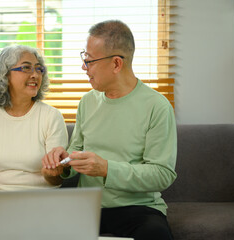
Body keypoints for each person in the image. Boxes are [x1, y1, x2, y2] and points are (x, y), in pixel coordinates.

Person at [41, 20, 177, 240]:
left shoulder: (157, 106)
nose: (84, 68)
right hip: (88, 206)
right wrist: (64, 164)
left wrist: (107, 169)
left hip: (139, 208)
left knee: (156, 235)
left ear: (116, 64)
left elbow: (162, 174)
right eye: (84, 59)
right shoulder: (87, 102)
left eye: (90, 61)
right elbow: (77, 150)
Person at [0, 45, 68, 230]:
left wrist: (55, 173)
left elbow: (56, 180)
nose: (35, 74)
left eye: (39, 69)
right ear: (5, 75)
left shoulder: (51, 117)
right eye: (26, 67)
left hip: (41, 203)